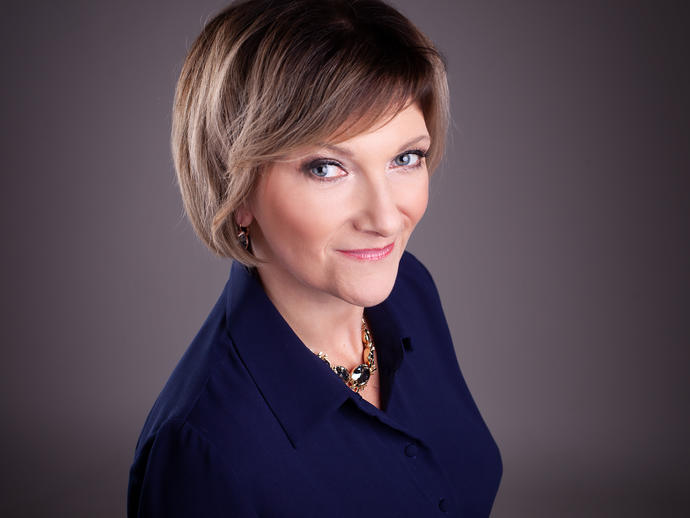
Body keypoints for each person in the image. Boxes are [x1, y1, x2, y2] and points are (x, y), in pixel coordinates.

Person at [127, 0, 502, 516]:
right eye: (327, 168)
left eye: (405, 158)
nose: (386, 218)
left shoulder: (410, 290)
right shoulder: (203, 450)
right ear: (235, 191)